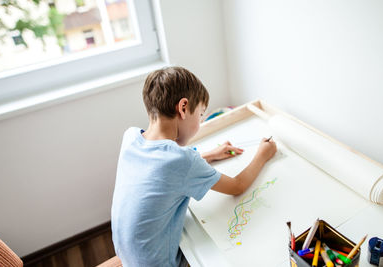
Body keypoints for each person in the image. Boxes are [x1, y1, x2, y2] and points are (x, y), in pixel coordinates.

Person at [111, 66, 277, 267]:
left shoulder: (130, 137)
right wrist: (262, 154)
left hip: (128, 255)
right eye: (200, 115)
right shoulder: (182, 160)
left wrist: (208, 155)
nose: (199, 123)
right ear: (183, 108)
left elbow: (158, 169)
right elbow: (237, 186)